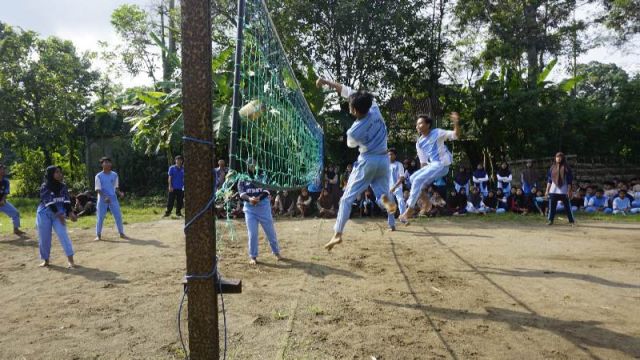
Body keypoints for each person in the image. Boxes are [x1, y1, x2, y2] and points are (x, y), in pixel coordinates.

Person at [316, 78, 397, 250]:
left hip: (368, 161)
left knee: (346, 199)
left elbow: (351, 145)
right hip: (384, 160)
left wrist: (327, 83)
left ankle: (337, 234)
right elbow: (347, 91)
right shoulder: (374, 108)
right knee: (381, 195)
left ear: (354, 110)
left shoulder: (353, 131)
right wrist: (328, 83)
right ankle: (387, 204)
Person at [399, 112, 461, 223]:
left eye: (420, 123)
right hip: (432, 165)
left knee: (418, 180)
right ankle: (426, 201)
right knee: (413, 178)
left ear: (428, 125)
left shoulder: (437, 133)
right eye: (417, 124)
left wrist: (456, 123)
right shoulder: (419, 142)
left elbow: (455, 135)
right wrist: (424, 177)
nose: (417, 126)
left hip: (442, 164)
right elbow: (423, 163)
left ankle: (409, 210)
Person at [237, 159, 281, 265]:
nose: (252, 166)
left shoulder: (263, 175)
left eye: (254, 164)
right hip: (249, 209)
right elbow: (241, 193)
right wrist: (250, 199)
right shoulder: (242, 177)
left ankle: (276, 252)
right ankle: (253, 256)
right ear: (247, 165)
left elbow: (267, 190)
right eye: (250, 164)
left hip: (263, 208)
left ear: (257, 165)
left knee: (270, 232)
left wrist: (258, 199)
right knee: (252, 234)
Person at [36, 166, 77, 268]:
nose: (60, 174)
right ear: (51, 174)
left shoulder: (63, 186)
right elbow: (49, 202)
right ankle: (46, 260)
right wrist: (59, 215)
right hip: (44, 214)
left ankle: (71, 261)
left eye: (60, 172)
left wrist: (70, 213)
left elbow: (67, 201)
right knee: (44, 237)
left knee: (63, 234)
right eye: (57, 172)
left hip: (59, 214)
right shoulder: (44, 186)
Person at [94, 157, 126, 240]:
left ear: (111, 164)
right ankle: (98, 235)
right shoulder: (98, 176)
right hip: (102, 199)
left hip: (113, 198)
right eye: (105, 162)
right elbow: (98, 189)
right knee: (100, 216)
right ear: (102, 164)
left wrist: (120, 193)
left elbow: (116, 187)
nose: (107, 164)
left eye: (109, 162)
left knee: (118, 215)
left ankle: (121, 233)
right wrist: (105, 197)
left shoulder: (114, 175)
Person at [544, 152, 575, 226]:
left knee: (568, 207)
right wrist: (547, 190)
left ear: (563, 158)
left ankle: (571, 221)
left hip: (564, 191)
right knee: (552, 207)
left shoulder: (567, 168)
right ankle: (550, 220)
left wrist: (569, 190)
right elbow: (549, 180)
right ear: (555, 158)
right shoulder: (552, 167)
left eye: (560, 157)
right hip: (553, 190)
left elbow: (569, 181)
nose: (558, 158)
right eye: (557, 157)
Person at [0, 164, 25, 236]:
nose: (4, 170)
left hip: (3, 203)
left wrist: (2, 200)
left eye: (4, 169)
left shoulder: (6, 181)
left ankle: (16, 229)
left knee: (15, 213)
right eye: (2, 169)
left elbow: (6, 192)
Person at [388, 148, 407, 222]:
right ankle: (391, 224)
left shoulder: (399, 164)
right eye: (388, 155)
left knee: (401, 201)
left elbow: (402, 178)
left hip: (397, 187)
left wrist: (394, 187)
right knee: (390, 206)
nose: (389, 156)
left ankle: (403, 218)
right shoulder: (386, 165)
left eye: (391, 154)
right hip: (388, 188)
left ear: (395, 155)